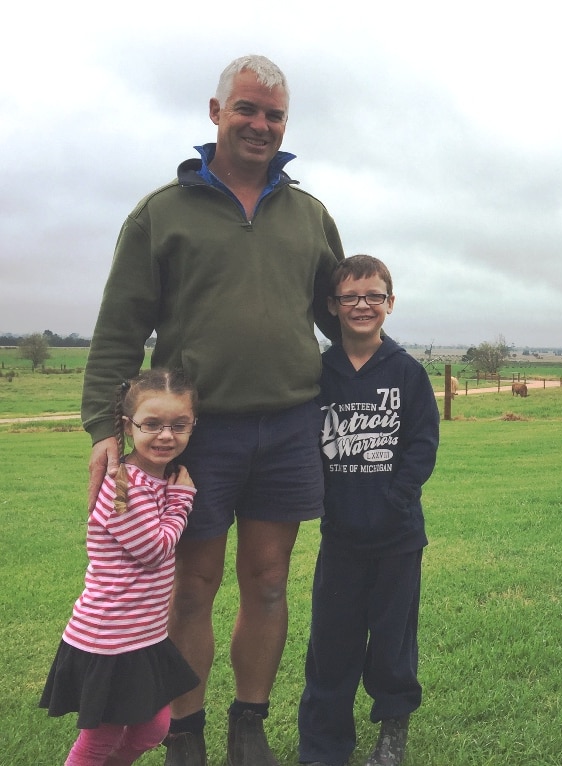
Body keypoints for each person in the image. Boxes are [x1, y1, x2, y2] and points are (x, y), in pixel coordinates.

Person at [80, 54, 345, 766]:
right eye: (247, 109)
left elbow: (338, 310)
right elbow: (119, 326)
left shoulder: (310, 215)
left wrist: (382, 368)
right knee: (191, 585)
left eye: (274, 114)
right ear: (215, 111)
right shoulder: (161, 213)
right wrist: (106, 429)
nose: (260, 124)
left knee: (266, 580)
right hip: (193, 436)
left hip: (290, 427)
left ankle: (248, 726)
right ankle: (185, 733)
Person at [297, 255, 440, 766]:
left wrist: (396, 500)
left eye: (374, 296)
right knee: (331, 646)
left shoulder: (406, 372)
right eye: (351, 297)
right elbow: (305, 446)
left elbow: (422, 445)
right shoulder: (318, 373)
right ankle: (323, 746)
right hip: (340, 538)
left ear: (390, 304)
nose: (363, 305)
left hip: (398, 539)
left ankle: (392, 734)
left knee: (392, 644)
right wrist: (323, 501)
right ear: (333, 306)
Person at [40, 369, 200, 766]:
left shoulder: (158, 478)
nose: (166, 435)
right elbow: (154, 549)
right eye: (152, 424)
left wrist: (173, 492)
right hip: (109, 638)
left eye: (179, 425)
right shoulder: (122, 485)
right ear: (128, 426)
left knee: (154, 728)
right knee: (98, 742)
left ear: (194, 425)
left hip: (143, 636)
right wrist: (182, 501)